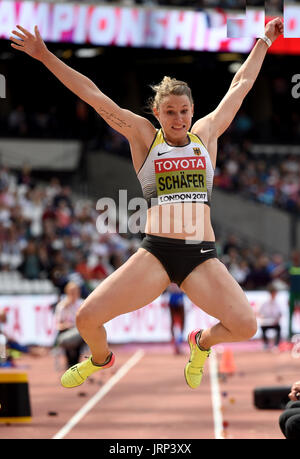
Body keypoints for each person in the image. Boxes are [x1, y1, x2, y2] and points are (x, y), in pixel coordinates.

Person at [9, 18, 283, 390]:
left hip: (200, 256)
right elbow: (93, 95)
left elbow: (242, 84)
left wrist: (264, 39)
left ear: (192, 110)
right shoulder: (142, 137)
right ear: (158, 113)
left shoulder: (207, 133)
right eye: (170, 111)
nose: (179, 118)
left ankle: (201, 343)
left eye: (184, 110)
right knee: (87, 318)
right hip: (156, 254)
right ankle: (100, 359)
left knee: (246, 325)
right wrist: (44, 56)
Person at [54, 282, 85, 368]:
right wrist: (66, 325)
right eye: (71, 292)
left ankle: (75, 365)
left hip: (80, 332)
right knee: (68, 340)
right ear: (67, 292)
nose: (73, 294)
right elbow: (58, 325)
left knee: (79, 337)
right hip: (66, 332)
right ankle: (71, 365)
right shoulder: (62, 306)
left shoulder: (83, 304)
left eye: (75, 291)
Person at [257, 283, 282, 350]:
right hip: (266, 322)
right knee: (262, 327)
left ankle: (276, 345)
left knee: (278, 328)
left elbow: (280, 314)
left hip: (274, 322)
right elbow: (260, 313)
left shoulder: (278, 303)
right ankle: (266, 343)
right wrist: (263, 319)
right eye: (272, 293)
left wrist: (276, 321)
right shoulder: (265, 303)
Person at [166, 283, 186, 354]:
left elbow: (168, 288)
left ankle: (176, 344)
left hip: (172, 298)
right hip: (178, 298)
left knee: (173, 323)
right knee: (181, 323)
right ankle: (178, 344)